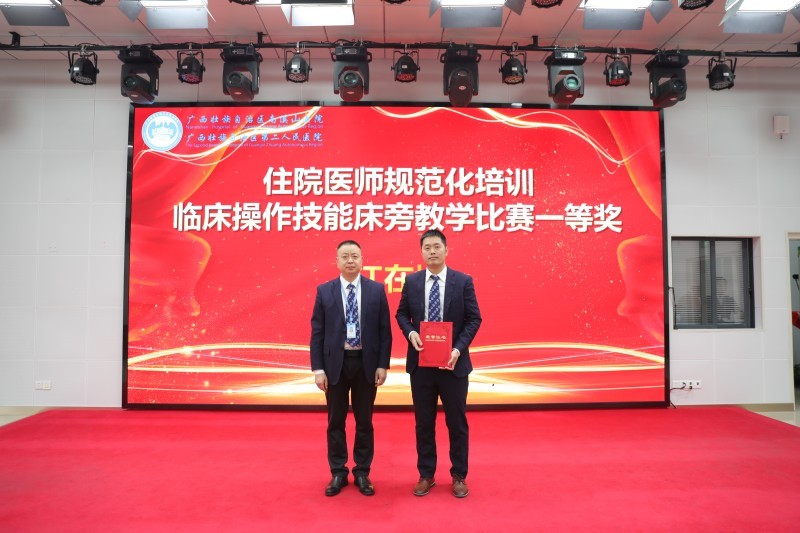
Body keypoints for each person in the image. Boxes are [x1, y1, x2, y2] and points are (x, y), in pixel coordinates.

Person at [395, 229, 482, 498]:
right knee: (424, 422)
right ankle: (426, 474)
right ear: (421, 252)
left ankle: (459, 475)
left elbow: (474, 319)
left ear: (446, 250)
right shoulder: (412, 281)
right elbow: (401, 314)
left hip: (454, 365)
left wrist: (457, 348)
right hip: (421, 365)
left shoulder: (463, 281)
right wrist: (411, 333)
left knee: (456, 422)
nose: (432, 251)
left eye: (436, 247)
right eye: (427, 248)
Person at [310, 240, 392, 497]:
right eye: (344, 256)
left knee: (364, 420)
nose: (350, 260)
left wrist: (382, 364)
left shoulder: (376, 290)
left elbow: (384, 331)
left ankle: (362, 472)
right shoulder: (325, 291)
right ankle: (338, 471)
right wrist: (318, 369)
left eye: (354, 256)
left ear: (362, 260)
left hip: (366, 363)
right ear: (336, 261)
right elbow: (317, 332)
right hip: (335, 364)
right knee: (335, 420)